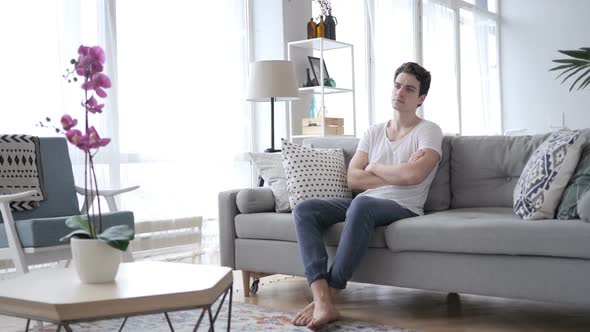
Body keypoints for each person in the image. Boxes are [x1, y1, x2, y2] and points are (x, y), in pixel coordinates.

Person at [291, 62, 443, 330]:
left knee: (361, 204)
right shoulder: (373, 132)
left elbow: (413, 177)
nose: (400, 93)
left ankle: (331, 295)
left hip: (403, 205)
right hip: (365, 202)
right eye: (397, 86)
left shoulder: (428, 131)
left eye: (409, 89)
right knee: (305, 209)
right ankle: (320, 296)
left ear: (421, 98)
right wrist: (397, 170)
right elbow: (353, 178)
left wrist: (373, 167)